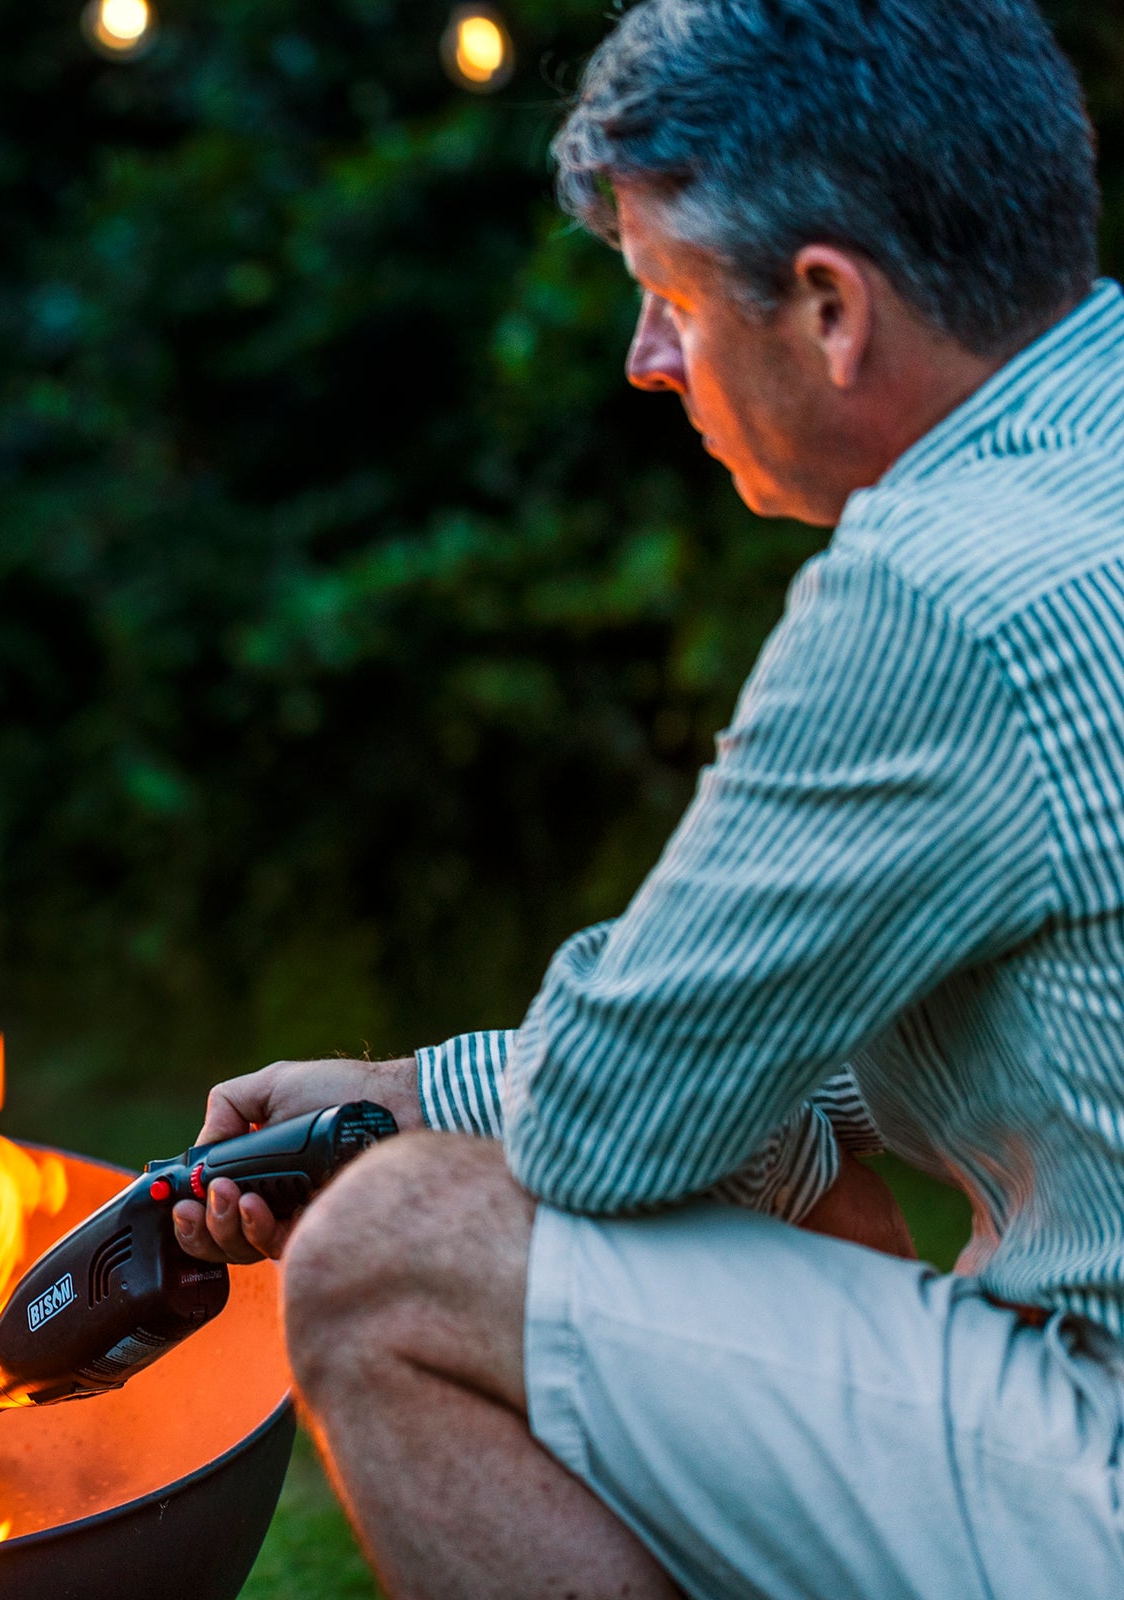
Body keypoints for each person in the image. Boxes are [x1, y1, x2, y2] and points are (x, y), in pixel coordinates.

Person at [174, 2, 1124, 1595]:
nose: (645, 363)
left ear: (828, 305)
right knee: (774, 1132)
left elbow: (620, 1121)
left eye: (668, 297)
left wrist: (405, 1125)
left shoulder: (950, 592)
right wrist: (419, 1081)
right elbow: (783, 1058)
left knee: (386, 1262)